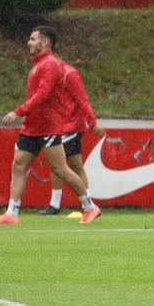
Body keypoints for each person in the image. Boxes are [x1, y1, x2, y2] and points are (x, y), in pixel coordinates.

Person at [0, 26, 102, 225]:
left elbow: (43, 95)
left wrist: (18, 111)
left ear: (45, 42)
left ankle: (90, 207)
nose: (28, 42)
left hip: (47, 126)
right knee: (18, 165)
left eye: (33, 39)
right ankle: (12, 213)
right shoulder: (38, 65)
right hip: (31, 126)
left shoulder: (50, 64)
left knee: (60, 169)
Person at [39, 59, 107, 215]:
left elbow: (82, 100)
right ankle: (56, 204)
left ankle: (87, 204)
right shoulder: (48, 74)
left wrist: (92, 123)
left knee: (70, 165)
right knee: (58, 165)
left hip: (71, 126)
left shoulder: (70, 74)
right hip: (56, 126)